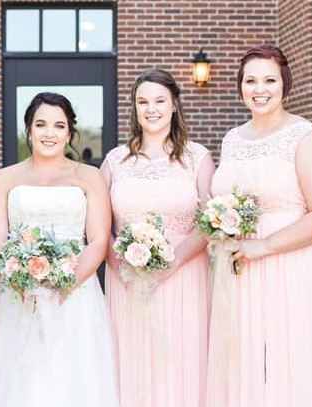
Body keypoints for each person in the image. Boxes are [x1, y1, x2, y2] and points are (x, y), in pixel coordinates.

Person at [205, 44, 312, 407]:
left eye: (269, 79)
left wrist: (262, 246)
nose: (260, 89)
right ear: (240, 86)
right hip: (239, 269)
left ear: (285, 83)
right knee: (246, 363)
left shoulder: (307, 138)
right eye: (250, 80)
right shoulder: (232, 140)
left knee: (292, 361)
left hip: (294, 267)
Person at [0, 92, 119, 407]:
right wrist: (23, 280)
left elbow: (98, 240)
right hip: (19, 295)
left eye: (58, 126)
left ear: (69, 133)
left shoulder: (89, 177)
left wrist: (64, 284)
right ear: (28, 130)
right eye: (40, 124)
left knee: (73, 378)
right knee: (23, 378)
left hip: (76, 294)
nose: (49, 133)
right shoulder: (4, 178)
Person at [101, 68, 215, 407]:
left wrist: (172, 263)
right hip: (127, 280)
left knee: (182, 359)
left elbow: (209, 222)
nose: (151, 109)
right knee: (133, 360)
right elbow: (99, 226)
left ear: (175, 105)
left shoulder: (198, 157)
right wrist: (121, 265)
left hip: (185, 276)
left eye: (159, 101)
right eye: (143, 101)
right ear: (135, 108)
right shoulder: (115, 161)